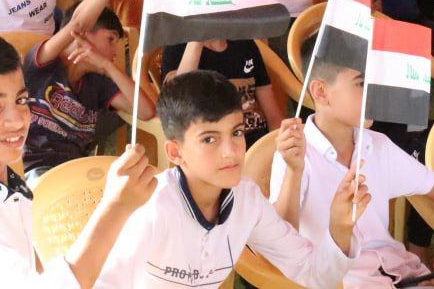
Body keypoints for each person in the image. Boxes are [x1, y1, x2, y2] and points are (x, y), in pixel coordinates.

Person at [0, 29, 157, 286]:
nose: (18, 120)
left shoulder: (1, 183)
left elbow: (36, 269)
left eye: (21, 100)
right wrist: (116, 206)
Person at [96, 70, 362, 287]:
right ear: (175, 152)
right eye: (209, 139)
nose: (231, 152)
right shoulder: (151, 207)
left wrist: (340, 227)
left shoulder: (247, 200)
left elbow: (312, 272)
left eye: (236, 133)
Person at [271, 31, 434, 286]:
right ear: (321, 92)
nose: (375, 94)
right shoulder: (296, 157)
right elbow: (281, 241)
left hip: (403, 274)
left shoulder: (378, 146)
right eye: (362, 83)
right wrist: (293, 171)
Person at [22, 0, 153, 180]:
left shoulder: (99, 82)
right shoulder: (44, 63)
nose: (115, 52)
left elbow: (146, 112)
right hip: (36, 169)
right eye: (110, 39)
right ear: (83, 33)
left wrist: (109, 67)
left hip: (77, 171)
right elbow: (78, 21)